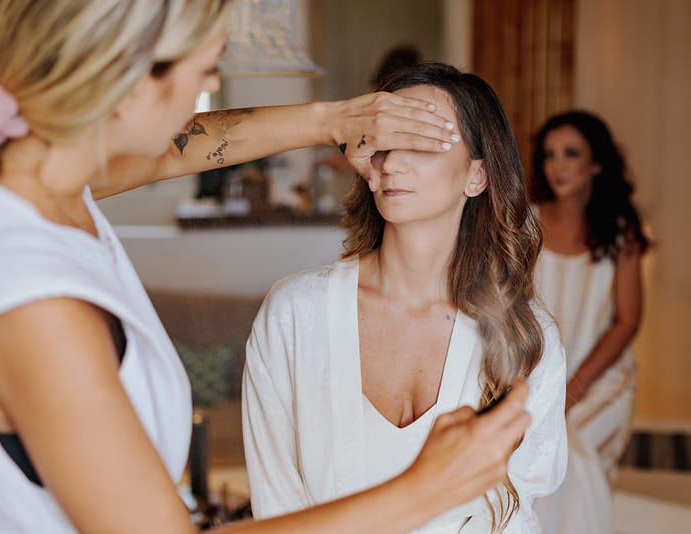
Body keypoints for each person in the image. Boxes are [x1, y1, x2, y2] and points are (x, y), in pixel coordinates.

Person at [0, 1, 536, 532]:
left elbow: (180, 148)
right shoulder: (33, 302)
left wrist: (333, 119)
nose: (212, 87)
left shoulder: (44, 189)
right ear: (127, 82)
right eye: (207, 69)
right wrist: (423, 490)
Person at [242, 63, 568, 533]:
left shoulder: (527, 337)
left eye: (420, 141)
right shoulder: (294, 314)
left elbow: (516, 515)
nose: (392, 163)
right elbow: (276, 504)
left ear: (477, 176)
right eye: (383, 143)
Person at [528, 110, 652, 534]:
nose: (558, 165)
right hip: (535, 380)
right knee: (534, 462)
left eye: (571, 153)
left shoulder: (621, 231)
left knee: (571, 454)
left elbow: (627, 322)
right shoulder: (523, 224)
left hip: (601, 382)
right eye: (549, 154)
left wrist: (571, 391)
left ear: (596, 163)